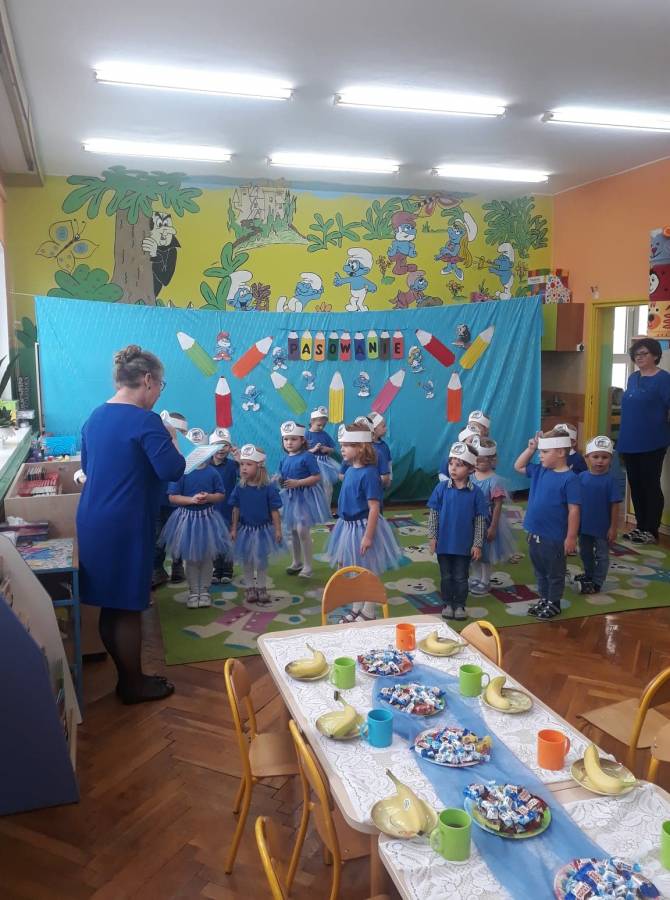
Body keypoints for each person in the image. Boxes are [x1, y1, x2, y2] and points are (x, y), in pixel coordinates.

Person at [77, 344, 185, 704]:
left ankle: (128, 679)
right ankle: (133, 685)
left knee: (112, 603)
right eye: (160, 386)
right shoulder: (146, 421)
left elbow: (90, 468)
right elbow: (173, 469)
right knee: (127, 605)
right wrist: (172, 438)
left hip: (93, 518)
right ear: (148, 380)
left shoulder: (95, 416)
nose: (158, 394)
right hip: (125, 522)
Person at [326, 423, 401, 621]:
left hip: (362, 527)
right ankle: (356, 607)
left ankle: (369, 611)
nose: (342, 449)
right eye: (342, 445)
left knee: (367, 571)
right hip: (347, 527)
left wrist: (368, 536)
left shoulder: (369, 474)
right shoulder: (350, 470)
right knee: (352, 570)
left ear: (361, 448)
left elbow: (374, 507)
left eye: (347, 445)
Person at [514, 428, 581, 621]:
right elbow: (518, 466)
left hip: (554, 537)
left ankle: (554, 602)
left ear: (560, 452)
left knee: (554, 572)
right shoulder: (540, 471)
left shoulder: (570, 479)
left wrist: (571, 537)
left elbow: (574, 510)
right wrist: (531, 449)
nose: (540, 456)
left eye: (544, 452)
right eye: (540, 452)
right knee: (540, 571)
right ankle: (544, 599)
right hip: (535, 532)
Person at [160, 452, 232, 609]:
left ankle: (204, 591)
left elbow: (221, 494)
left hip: (208, 520)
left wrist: (209, 497)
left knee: (206, 557)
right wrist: (191, 499)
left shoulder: (212, 472)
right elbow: (172, 497)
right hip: (187, 521)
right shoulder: (182, 473)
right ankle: (193, 591)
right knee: (191, 558)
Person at [618, 337, 670, 544]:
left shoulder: (664, 379)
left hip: (652, 441)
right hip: (629, 440)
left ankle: (651, 529)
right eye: (636, 354)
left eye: (644, 354)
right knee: (636, 484)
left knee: (650, 484)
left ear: (655, 355)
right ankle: (640, 527)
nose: (639, 357)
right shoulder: (633, 378)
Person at [427, 442, 487, 621]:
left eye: (459, 465)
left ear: (471, 469)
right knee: (446, 576)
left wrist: (477, 544)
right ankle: (447, 603)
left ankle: (460, 604)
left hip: (463, 545)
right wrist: (432, 536)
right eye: (451, 463)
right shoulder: (441, 488)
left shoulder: (476, 493)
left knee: (461, 577)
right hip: (444, 544)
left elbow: (480, 521)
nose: (452, 468)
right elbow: (434, 514)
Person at [229, 444, 283, 605]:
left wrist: (278, 530)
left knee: (261, 559)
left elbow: (274, 511)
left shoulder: (268, 488)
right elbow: (236, 509)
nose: (244, 468)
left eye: (248, 464)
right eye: (242, 464)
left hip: (263, 530)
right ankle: (249, 587)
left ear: (259, 466)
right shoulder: (240, 487)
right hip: (245, 530)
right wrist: (234, 528)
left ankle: (261, 587)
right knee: (247, 560)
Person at [277, 420, 330, 578]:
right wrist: (278, 480)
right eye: (286, 439)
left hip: (305, 498)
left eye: (293, 439)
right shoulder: (284, 459)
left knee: (302, 530)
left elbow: (316, 477)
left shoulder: (307, 456)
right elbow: (282, 477)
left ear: (302, 440)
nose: (289, 442)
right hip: (290, 498)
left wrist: (298, 482)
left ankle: (308, 566)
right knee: (293, 531)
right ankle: (297, 562)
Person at [468, 435, 516, 594]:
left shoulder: (494, 481)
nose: (476, 462)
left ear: (491, 460)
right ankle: (475, 576)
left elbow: (497, 505)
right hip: (470, 520)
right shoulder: (470, 477)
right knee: (471, 549)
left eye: (480, 460)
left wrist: (493, 527)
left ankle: (485, 579)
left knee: (485, 552)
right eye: (475, 459)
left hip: (486, 521)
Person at [576, 435, 623, 594]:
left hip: (602, 527)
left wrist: (613, 528)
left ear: (611, 459)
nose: (600, 461)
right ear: (587, 457)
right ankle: (589, 574)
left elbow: (615, 505)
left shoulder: (611, 481)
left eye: (604, 457)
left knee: (602, 555)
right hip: (584, 526)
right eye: (595, 457)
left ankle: (597, 582)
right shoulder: (581, 477)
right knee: (585, 552)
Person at [152, 410, 188, 588]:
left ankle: (177, 565)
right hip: (160, 500)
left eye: (180, 434)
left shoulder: (186, 453)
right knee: (158, 537)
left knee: (179, 536)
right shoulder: (157, 449)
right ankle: (157, 569)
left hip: (179, 502)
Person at [209, 428, 239, 583]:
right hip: (210, 508)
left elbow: (247, 474)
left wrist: (238, 458)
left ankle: (227, 569)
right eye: (217, 445)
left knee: (227, 538)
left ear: (230, 447)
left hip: (228, 508)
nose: (221, 449)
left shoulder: (233, 465)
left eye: (225, 445)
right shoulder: (205, 465)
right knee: (213, 539)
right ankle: (216, 569)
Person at [306, 406, 339, 507]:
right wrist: (313, 450)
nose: (321, 428)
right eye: (319, 425)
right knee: (312, 486)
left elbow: (333, 449)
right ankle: (312, 508)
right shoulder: (306, 435)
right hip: (312, 464)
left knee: (327, 486)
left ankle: (326, 508)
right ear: (312, 421)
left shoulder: (325, 434)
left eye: (323, 426)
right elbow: (301, 452)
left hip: (325, 464)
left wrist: (327, 449)